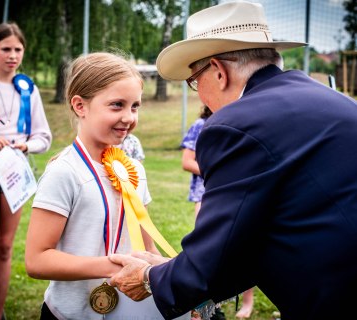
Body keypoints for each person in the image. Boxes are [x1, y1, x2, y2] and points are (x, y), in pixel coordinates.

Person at [108, 1, 357, 320]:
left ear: (219, 71)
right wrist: (171, 270)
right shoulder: (335, 101)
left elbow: (217, 253)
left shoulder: (235, 126)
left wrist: (148, 278)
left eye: (194, 80)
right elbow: (257, 240)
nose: (200, 95)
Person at [24, 52, 190, 320]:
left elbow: (147, 249)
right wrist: (113, 266)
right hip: (69, 314)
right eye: (117, 105)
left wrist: (173, 287)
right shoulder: (64, 172)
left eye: (135, 106)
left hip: (126, 313)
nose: (128, 117)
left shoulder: (134, 170)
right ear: (80, 106)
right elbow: (36, 260)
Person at [0, 22, 52, 320]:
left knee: (3, 248)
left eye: (17, 49)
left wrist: (24, 147)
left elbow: (43, 137)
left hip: (14, 177)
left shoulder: (27, 88)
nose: (12, 55)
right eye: (6, 49)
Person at [182, 105, 253, 319]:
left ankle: (248, 302)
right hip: (205, 196)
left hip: (238, 195)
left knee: (245, 249)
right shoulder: (200, 126)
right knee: (205, 252)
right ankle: (209, 305)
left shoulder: (244, 123)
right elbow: (187, 161)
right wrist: (221, 172)